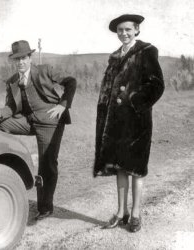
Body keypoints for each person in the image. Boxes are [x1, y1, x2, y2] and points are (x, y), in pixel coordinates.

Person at [0, 40, 76, 220]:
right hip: (28, 122)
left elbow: (71, 82)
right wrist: (0, 112)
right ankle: (5, 168)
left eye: (24, 58)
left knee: (47, 163)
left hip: (50, 123)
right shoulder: (13, 81)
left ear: (30, 57)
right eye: (17, 59)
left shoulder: (44, 70)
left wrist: (63, 106)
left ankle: (45, 208)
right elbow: (11, 108)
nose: (20, 62)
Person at [94, 14, 164, 232]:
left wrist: (134, 100)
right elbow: (107, 90)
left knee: (136, 169)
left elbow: (156, 85)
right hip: (115, 123)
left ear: (136, 30)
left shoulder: (146, 52)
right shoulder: (115, 57)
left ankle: (135, 214)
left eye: (128, 30)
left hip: (137, 123)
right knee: (120, 168)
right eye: (120, 30)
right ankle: (121, 212)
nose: (124, 33)